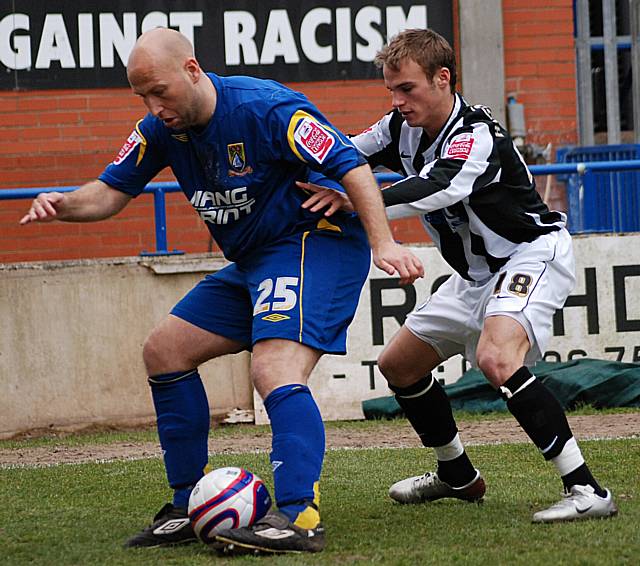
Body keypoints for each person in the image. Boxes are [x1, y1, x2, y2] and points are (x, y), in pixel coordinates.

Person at [20, 28, 423, 554]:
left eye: (159, 91)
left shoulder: (267, 108)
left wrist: (383, 243)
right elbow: (111, 192)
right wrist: (64, 203)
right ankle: (189, 504)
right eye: (142, 95)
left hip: (312, 243)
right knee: (164, 352)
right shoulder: (159, 130)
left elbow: (351, 164)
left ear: (192, 70)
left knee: (273, 368)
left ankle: (299, 516)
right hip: (256, 259)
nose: (152, 105)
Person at [301, 28, 618, 523]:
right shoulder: (397, 128)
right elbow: (344, 154)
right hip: (473, 276)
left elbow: (440, 186)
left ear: (443, 78)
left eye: (407, 88)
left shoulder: (476, 135)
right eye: (391, 90)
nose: (398, 101)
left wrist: (361, 199)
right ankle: (458, 476)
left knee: (497, 358)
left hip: (529, 255)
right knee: (398, 366)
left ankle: (587, 490)